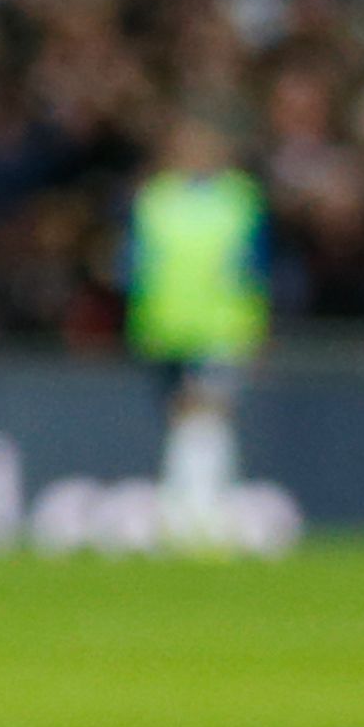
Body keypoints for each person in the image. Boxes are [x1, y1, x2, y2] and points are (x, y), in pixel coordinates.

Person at [123, 115, 269, 550]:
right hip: (165, 327)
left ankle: (201, 510)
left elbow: (256, 266)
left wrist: (258, 325)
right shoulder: (154, 198)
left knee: (207, 413)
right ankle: (186, 510)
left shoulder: (240, 198)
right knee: (182, 417)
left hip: (223, 326)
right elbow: (137, 264)